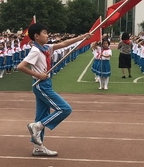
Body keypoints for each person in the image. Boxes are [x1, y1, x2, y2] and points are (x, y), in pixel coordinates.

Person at [17, 23, 91, 157]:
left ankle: (38, 147)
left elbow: (64, 44)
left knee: (41, 116)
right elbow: (21, 66)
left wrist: (82, 37)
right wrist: (38, 75)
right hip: (41, 84)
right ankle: (37, 126)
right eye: (45, 33)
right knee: (65, 109)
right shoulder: (35, 51)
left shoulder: (45, 48)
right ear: (36, 36)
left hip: (46, 83)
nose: (47, 35)